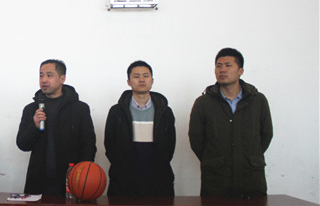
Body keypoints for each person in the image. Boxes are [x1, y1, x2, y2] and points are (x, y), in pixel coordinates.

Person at [189, 48, 273, 197]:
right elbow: (196, 139)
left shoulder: (258, 100)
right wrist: (213, 159)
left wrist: (250, 157)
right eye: (218, 66)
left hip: (251, 178)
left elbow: (266, 134)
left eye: (228, 65)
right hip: (216, 180)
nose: (222, 70)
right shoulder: (203, 103)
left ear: (241, 71)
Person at [16, 59, 96, 195]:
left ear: (62, 79)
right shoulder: (31, 109)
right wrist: (34, 126)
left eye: (49, 75)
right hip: (38, 182)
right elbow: (23, 145)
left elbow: (88, 145)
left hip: (71, 181)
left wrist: (83, 175)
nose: (44, 80)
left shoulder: (80, 109)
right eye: (41, 75)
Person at [104, 61, 176, 197]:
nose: (142, 80)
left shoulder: (165, 112)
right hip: (124, 181)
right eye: (136, 76)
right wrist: (121, 167)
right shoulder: (116, 112)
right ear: (128, 82)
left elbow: (169, 146)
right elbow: (110, 145)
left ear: (152, 80)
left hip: (158, 181)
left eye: (146, 76)